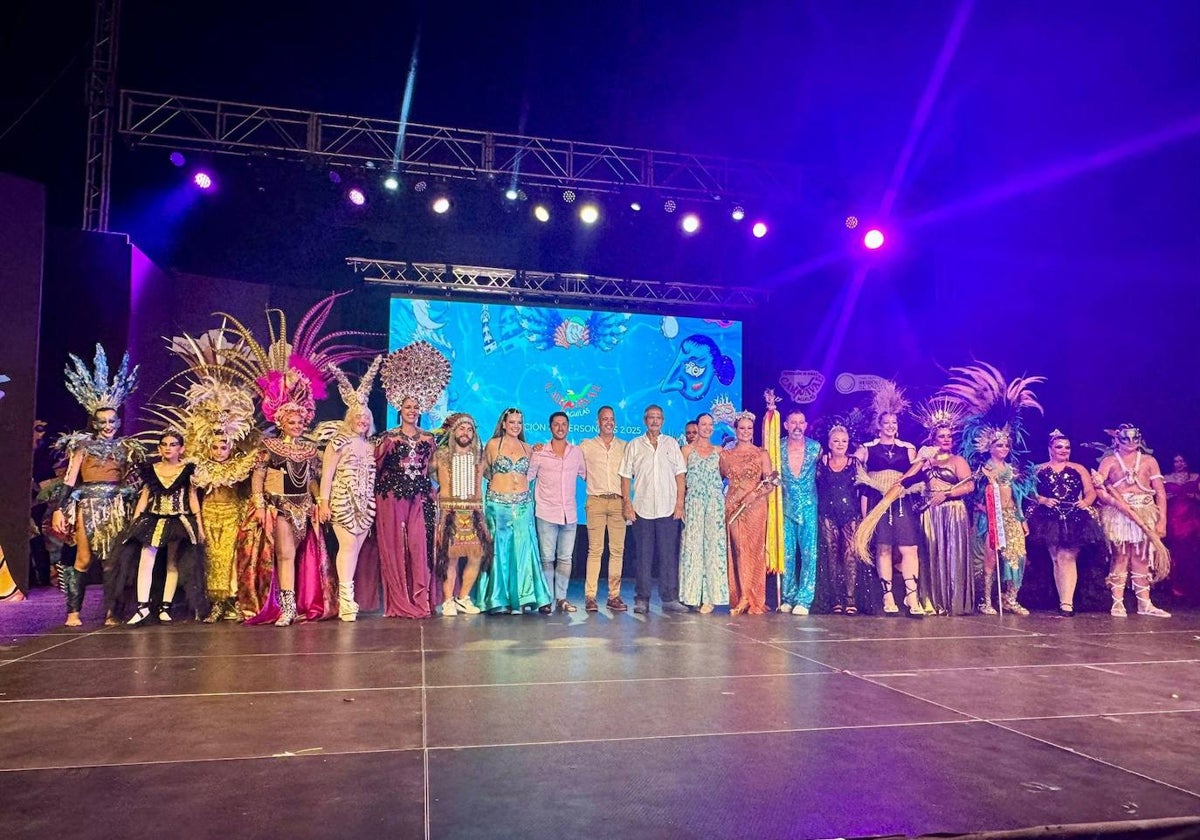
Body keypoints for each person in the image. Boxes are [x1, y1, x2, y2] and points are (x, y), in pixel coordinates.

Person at [50, 345, 143, 626]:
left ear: (118, 420)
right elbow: (69, 480)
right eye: (102, 421)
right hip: (88, 504)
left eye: (112, 420)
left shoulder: (126, 447)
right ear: (94, 422)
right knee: (83, 558)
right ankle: (73, 612)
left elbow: (132, 480)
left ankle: (113, 612)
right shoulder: (82, 446)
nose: (107, 425)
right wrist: (59, 510)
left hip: (117, 505)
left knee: (113, 562)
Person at [373, 342, 451, 619]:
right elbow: (375, 468)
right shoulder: (387, 438)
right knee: (394, 546)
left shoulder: (429, 438)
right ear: (399, 408)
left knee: (420, 547)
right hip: (391, 496)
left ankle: (421, 600)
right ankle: (399, 601)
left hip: (420, 496)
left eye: (416, 406)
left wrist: (440, 488)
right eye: (408, 406)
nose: (412, 410)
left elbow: (432, 466)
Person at [110, 431, 207, 624]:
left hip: (178, 520)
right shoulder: (151, 469)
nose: (168, 448)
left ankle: (165, 606)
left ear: (181, 448)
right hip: (154, 518)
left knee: (173, 562)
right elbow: (144, 498)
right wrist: (135, 521)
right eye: (164, 444)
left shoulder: (188, 470)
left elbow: (192, 498)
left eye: (173, 444)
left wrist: (200, 525)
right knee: (147, 557)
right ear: (159, 448)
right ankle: (142, 606)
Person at [318, 358, 382, 621]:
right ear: (350, 418)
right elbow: (327, 473)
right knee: (346, 545)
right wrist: (323, 501)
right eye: (358, 417)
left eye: (365, 418)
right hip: (343, 499)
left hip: (364, 501)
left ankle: (348, 596)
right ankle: (345, 600)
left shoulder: (370, 446)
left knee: (355, 548)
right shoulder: (338, 441)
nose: (362, 421)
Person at [475, 408, 553, 614]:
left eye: (519, 423)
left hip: (523, 504)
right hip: (498, 504)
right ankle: (499, 598)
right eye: (512, 422)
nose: (516, 426)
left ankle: (524, 596)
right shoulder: (492, 445)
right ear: (503, 424)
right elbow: (482, 471)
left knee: (523, 548)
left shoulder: (528, 448)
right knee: (499, 549)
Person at [855, 382, 921, 617]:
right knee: (883, 548)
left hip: (901, 501)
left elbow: (916, 472)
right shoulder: (869, 448)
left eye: (894, 423)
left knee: (909, 548)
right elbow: (856, 465)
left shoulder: (908, 448)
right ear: (879, 426)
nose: (891, 427)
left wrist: (925, 460)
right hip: (878, 501)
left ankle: (912, 596)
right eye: (887, 423)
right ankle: (888, 595)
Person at [903, 400, 975, 615]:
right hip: (930, 512)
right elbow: (910, 478)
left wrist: (947, 494)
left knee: (951, 555)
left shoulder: (957, 460)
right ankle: (930, 601)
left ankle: (952, 601)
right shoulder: (925, 460)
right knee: (930, 555)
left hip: (952, 511)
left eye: (949, 436)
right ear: (933, 439)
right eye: (941, 436)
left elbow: (970, 485)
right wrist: (921, 461)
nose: (946, 440)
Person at [1095, 425, 1170, 617]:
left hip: (1145, 511)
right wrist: (1111, 499)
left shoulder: (1148, 461)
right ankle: (1117, 602)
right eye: (1125, 439)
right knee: (1120, 556)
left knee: (1142, 557)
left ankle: (1144, 603)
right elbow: (1100, 487)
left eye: (1134, 439)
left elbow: (1160, 492)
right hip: (1119, 514)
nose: (1130, 443)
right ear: (1116, 441)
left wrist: (1162, 521)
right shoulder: (1109, 461)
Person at [1027, 431, 1104, 616]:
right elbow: (1027, 492)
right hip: (1048, 518)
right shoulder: (1038, 469)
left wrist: (1086, 502)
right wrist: (1043, 500)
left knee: (1067, 557)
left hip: (1074, 516)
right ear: (1050, 449)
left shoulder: (1078, 468)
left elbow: (1090, 492)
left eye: (1067, 447)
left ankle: (1067, 604)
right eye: (1059, 447)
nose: (1063, 450)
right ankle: (1063, 599)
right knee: (1056, 558)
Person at [620, 404, 687, 614]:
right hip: (642, 508)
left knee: (668, 556)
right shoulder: (634, 445)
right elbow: (624, 476)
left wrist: (679, 504)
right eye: (651, 417)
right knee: (643, 556)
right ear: (644, 420)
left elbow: (680, 476)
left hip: (668, 508)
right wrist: (627, 504)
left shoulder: (672, 444)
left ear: (663, 421)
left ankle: (669, 598)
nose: (655, 421)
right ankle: (642, 598)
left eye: (658, 418)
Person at [528, 411, 587, 613]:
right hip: (545, 513)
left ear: (568, 427)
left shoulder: (576, 453)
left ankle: (561, 598)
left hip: (569, 514)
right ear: (550, 427)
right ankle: (546, 599)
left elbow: (586, 475)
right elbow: (527, 478)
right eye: (556, 424)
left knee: (565, 559)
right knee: (546, 559)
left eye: (564, 424)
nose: (560, 428)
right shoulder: (539, 453)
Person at [432, 413, 489, 616]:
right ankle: (448, 601)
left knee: (476, 556)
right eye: (462, 429)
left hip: (473, 513)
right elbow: (426, 473)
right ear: (453, 431)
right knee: (450, 558)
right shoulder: (440, 454)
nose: (466, 433)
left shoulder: (480, 456)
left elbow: (491, 476)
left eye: (470, 429)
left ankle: (463, 597)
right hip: (450, 514)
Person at [196, 436, 256, 622]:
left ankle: (235, 600)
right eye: (215, 447)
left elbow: (248, 492)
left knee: (231, 557)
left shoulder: (238, 467)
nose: (219, 452)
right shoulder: (202, 468)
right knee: (212, 557)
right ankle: (217, 603)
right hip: (208, 515)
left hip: (231, 514)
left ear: (230, 448)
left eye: (223, 447)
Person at [720, 411, 774, 615]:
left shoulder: (761, 453)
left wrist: (755, 493)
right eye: (741, 428)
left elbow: (770, 482)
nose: (745, 432)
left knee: (754, 550)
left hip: (756, 506)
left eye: (749, 428)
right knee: (740, 549)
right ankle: (741, 596)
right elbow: (718, 477)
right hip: (733, 506)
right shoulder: (726, 455)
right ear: (735, 430)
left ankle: (752, 597)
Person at [578, 405, 629, 612]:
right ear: (597, 422)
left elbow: (629, 475)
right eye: (604, 419)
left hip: (618, 502)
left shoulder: (624, 446)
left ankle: (613, 596)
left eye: (612, 419)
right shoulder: (586, 445)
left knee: (617, 550)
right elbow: (577, 468)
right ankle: (590, 596)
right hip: (596, 501)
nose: (608, 422)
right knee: (595, 550)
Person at [679, 413, 728, 612]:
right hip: (694, 502)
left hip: (714, 504)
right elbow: (680, 479)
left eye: (710, 424)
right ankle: (692, 595)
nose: (707, 428)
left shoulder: (719, 451)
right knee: (692, 547)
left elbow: (726, 476)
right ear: (696, 426)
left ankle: (711, 597)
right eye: (703, 424)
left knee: (713, 549)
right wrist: (679, 504)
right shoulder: (686, 450)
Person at [816, 424, 866, 614]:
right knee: (831, 554)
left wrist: (864, 515)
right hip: (828, 513)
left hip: (850, 513)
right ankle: (836, 599)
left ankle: (850, 598)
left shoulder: (855, 463)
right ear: (829, 443)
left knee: (850, 555)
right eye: (836, 441)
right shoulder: (822, 462)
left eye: (844, 441)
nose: (840, 444)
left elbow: (864, 491)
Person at [779, 410, 820, 615]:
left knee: (808, 554)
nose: (797, 426)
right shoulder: (777, 447)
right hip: (785, 507)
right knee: (786, 555)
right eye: (792, 422)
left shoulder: (816, 448)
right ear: (785, 425)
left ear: (805, 425)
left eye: (801, 422)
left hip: (809, 507)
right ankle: (788, 597)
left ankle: (804, 599)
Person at [1163, 453, 1200, 605]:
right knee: (1176, 550)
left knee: (1192, 550)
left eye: (1181, 461)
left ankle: (1192, 585)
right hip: (1173, 516)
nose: (1179, 464)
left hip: (1192, 516)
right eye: (1176, 461)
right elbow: (1159, 496)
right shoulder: (1166, 478)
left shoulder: (1195, 477)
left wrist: (1193, 496)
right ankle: (1175, 585)